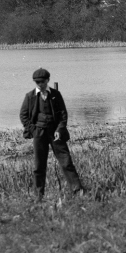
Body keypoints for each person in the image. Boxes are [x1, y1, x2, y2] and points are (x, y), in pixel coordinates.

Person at [19, 68, 84, 201]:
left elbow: (63, 114)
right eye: (37, 82)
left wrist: (59, 130)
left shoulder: (56, 94)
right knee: (39, 166)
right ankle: (38, 195)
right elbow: (23, 115)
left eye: (42, 81)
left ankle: (78, 191)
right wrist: (33, 130)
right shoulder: (29, 96)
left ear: (48, 80)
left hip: (55, 134)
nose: (39, 84)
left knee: (66, 162)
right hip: (39, 133)